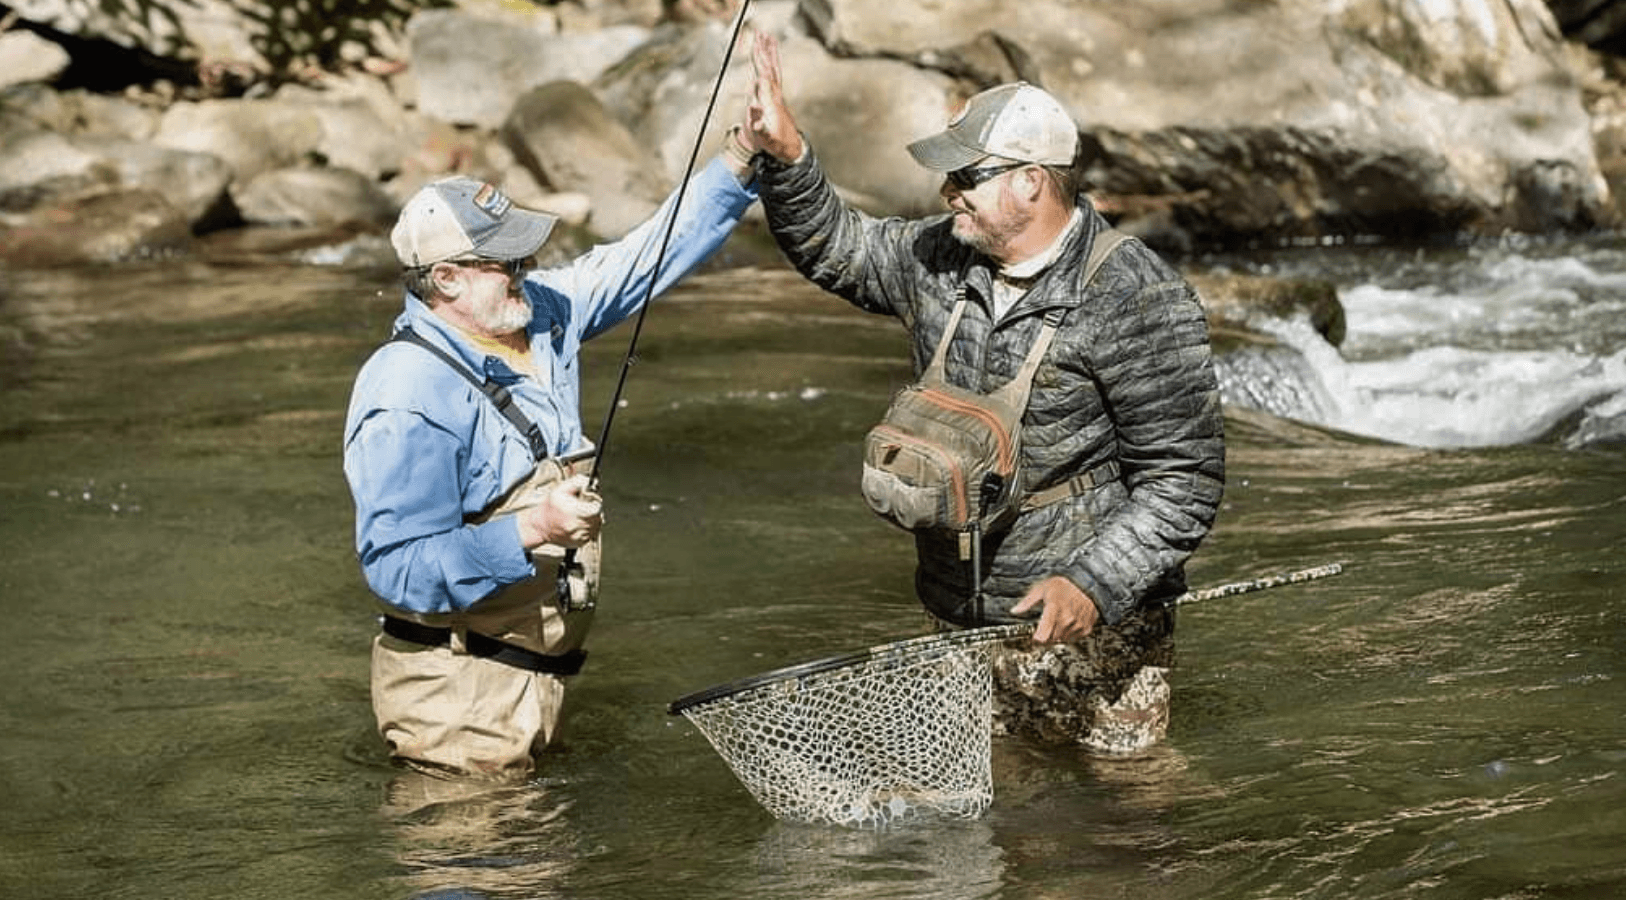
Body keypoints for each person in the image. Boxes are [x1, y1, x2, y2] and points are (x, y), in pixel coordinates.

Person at [734, 32, 1225, 755]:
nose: (946, 192)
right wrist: (787, 158)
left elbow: (1183, 481)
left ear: (1031, 180)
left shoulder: (1136, 298)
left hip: (1097, 619)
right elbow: (839, 248)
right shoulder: (939, 255)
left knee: (1125, 826)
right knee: (1003, 812)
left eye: (966, 175)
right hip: (957, 609)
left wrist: (1090, 584)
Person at [343, 138, 760, 779]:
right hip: (455, 704)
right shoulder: (406, 396)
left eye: (526, 252)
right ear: (446, 278)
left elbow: (643, 258)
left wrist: (740, 162)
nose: (527, 267)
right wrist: (534, 529)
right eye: (505, 259)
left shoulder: (538, 316)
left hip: (537, 685)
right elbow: (399, 570)